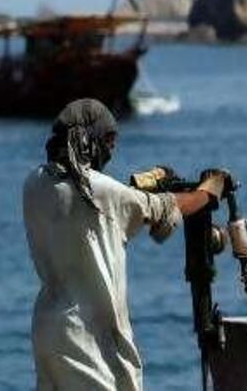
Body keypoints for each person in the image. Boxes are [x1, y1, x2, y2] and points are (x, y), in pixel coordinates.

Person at [22, 99, 228, 391]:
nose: (112, 149)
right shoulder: (100, 192)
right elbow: (168, 207)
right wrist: (211, 189)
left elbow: (98, 208)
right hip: (88, 337)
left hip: (49, 330)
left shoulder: (36, 183)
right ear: (88, 140)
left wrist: (138, 187)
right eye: (108, 140)